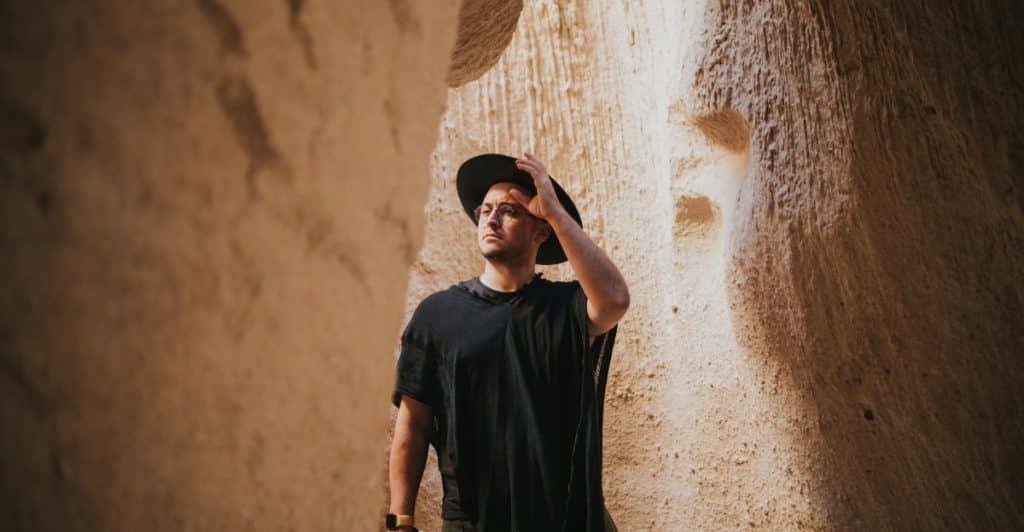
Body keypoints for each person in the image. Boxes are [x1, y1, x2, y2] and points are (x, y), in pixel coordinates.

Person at [386, 153, 629, 532]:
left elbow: (615, 300)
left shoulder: (565, 308)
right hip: (473, 521)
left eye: (510, 211)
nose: (491, 218)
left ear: (541, 231)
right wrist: (399, 520)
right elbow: (413, 426)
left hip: (565, 519)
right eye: (485, 210)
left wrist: (555, 212)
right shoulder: (437, 315)